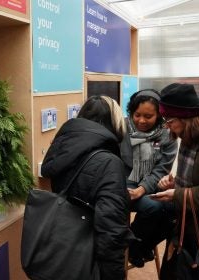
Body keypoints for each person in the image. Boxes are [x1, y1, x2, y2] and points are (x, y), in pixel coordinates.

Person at [41, 95, 134, 280]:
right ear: (114, 123)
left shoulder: (61, 150)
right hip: (89, 260)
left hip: (62, 251)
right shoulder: (109, 162)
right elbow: (110, 230)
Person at [151, 83, 199, 280]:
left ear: (187, 118)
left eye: (170, 120)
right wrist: (174, 183)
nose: (167, 126)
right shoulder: (190, 135)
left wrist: (178, 194)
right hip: (186, 223)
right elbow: (196, 178)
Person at [121, 89, 178, 267]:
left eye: (148, 116)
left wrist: (143, 189)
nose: (141, 120)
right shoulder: (121, 128)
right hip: (124, 184)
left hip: (151, 185)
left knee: (174, 210)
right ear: (131, 112)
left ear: (160, 116)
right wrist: (131, 189)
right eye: (137, 115)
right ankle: (136, 247)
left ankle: (139, 246)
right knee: (152, 207)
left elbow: (161, 169)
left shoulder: (168, 135)